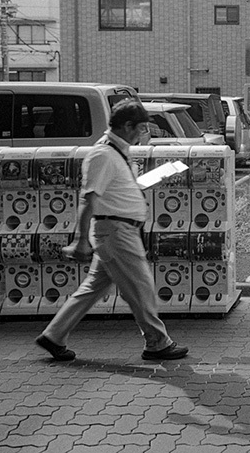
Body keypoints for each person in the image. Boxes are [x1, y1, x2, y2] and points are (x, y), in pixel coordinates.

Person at [35, 99, 188, 362]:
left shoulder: (117, 152)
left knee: (92, 288)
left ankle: (54, 335)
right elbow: (89, 198)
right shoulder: (103, 154)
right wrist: (81, 240)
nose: (143, 134)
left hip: (116, 230)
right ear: (127, 126)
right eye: (140, 128)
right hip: (117, 231)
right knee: (141, 287)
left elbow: (112, 190)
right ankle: (157, 343)